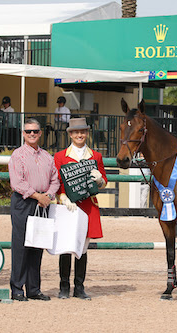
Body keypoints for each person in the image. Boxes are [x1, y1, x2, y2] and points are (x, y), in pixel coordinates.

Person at [54, 118, 108, 300]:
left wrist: (100, 179)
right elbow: (57, 181)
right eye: (76, 132)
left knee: (82, 248)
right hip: (67, 205)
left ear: (87, 133)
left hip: (88, 206)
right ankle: (63, 286)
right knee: (66, 246)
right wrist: (62, 196)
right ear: (70, 134)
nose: (79, 135)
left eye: (82, 132)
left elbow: (104, 182)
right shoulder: (60, 156)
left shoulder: (96, 156)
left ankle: (79, 287)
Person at [8, 118, 60, 302]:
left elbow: (55, 179)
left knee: (37, 245)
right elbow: (17, 183)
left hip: (43, 202)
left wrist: (48, 196)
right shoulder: (17, 155)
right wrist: (38, 196)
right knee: (21, 245)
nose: (32, 134)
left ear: (40, 133)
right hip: (24, 202)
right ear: (23, 133)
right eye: (28, 131)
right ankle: (17, 289)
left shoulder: (47, 156)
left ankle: (33, 289)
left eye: (35, 131)